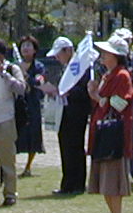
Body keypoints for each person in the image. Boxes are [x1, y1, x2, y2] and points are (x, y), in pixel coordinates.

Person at [87, 34, 133, 213]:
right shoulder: (108, 75)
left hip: (113, 136)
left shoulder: (122, 76)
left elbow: (121, 104)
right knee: (106, 181)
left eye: (106, 53)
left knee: (112, 182)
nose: (102, 55)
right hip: (103, 134)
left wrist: (98, 97)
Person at [50, 36, 91, 196]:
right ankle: (68, 183)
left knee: (75, 147)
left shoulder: (81, 66)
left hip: (77, 111)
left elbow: (84, 91)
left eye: (59, 54)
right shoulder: (65, 68)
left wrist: (68, 92)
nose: (57, 58)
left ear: (68, 51)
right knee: (65, 146)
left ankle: (77, 183)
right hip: (64, 111)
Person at [14, 36, 47, 177]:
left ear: (34, 50)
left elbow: (39, 81)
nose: (25, 48)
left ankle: (28, 167)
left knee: (33, 134)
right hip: (18, 104)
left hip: (33, 104)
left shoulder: (39, 66)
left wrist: (26, 75)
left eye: (29, 45)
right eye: (23, 46)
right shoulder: (14, 66)